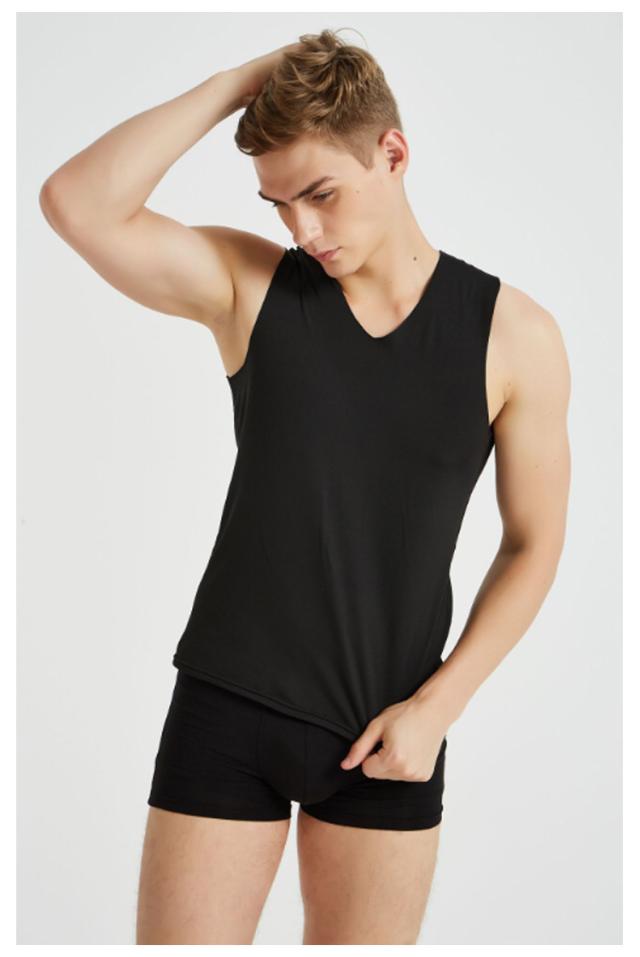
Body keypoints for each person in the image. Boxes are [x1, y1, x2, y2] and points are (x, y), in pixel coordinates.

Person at [39, 28, 571, 946]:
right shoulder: (251, 289)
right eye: (279, 204)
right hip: (227, 710)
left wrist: (438, 709)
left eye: (320, 194)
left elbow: (535, 543)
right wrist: (238, 82)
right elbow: (75, 203)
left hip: (387, 731)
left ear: (392, 153)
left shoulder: (514, 337)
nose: (303, 231)